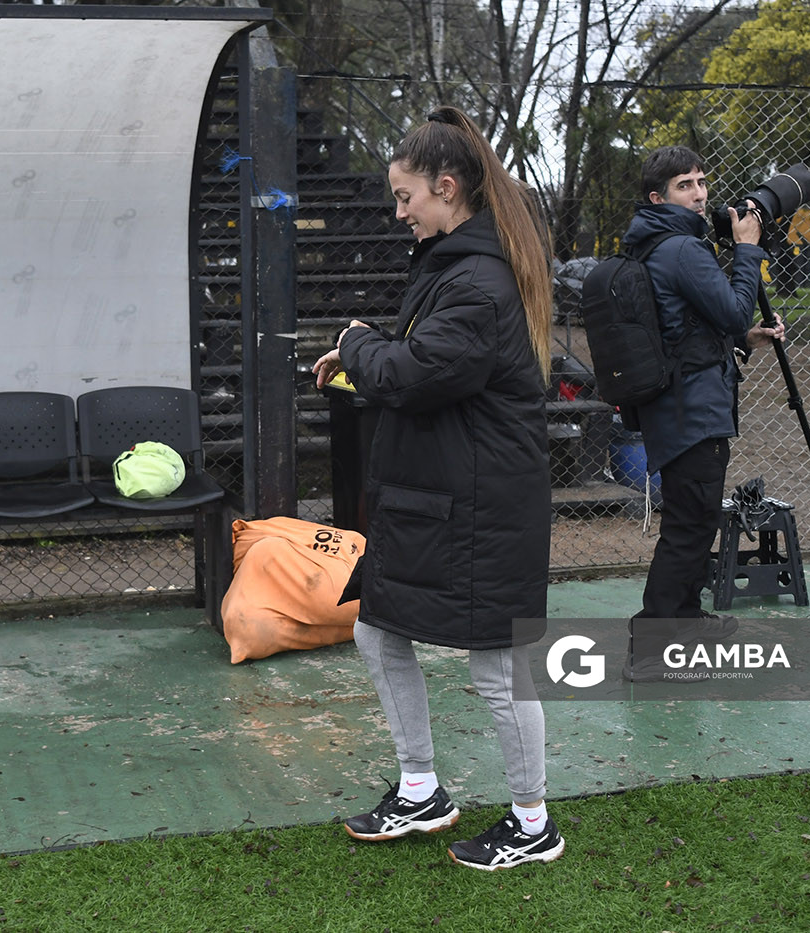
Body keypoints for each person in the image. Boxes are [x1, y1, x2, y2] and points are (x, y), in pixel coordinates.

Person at [311, 107, 562, 871]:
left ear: (446, 188)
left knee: (495, 666)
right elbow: (419, 368)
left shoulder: (477, 282)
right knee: (378, 629)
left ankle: (532, 822)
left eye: (405, 195)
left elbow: (416, 375)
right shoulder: (456, 266)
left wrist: (357, 340)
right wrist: (365, 354)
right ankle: (421, 789)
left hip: (483, 509)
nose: (399, 211)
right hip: (438, 499)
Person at [621, 146, 786, 682]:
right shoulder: (682, 251)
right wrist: (747, 251)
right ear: (657, 197)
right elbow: (736, 305)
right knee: (689, 528)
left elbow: (692, 326)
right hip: (694, 411)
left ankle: (686, 620)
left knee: (692, 520)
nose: (699, 194)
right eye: (684, 186)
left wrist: (744, 339)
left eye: (700, 182)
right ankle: (650, 649)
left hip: (678, 404)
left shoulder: (655, 245)